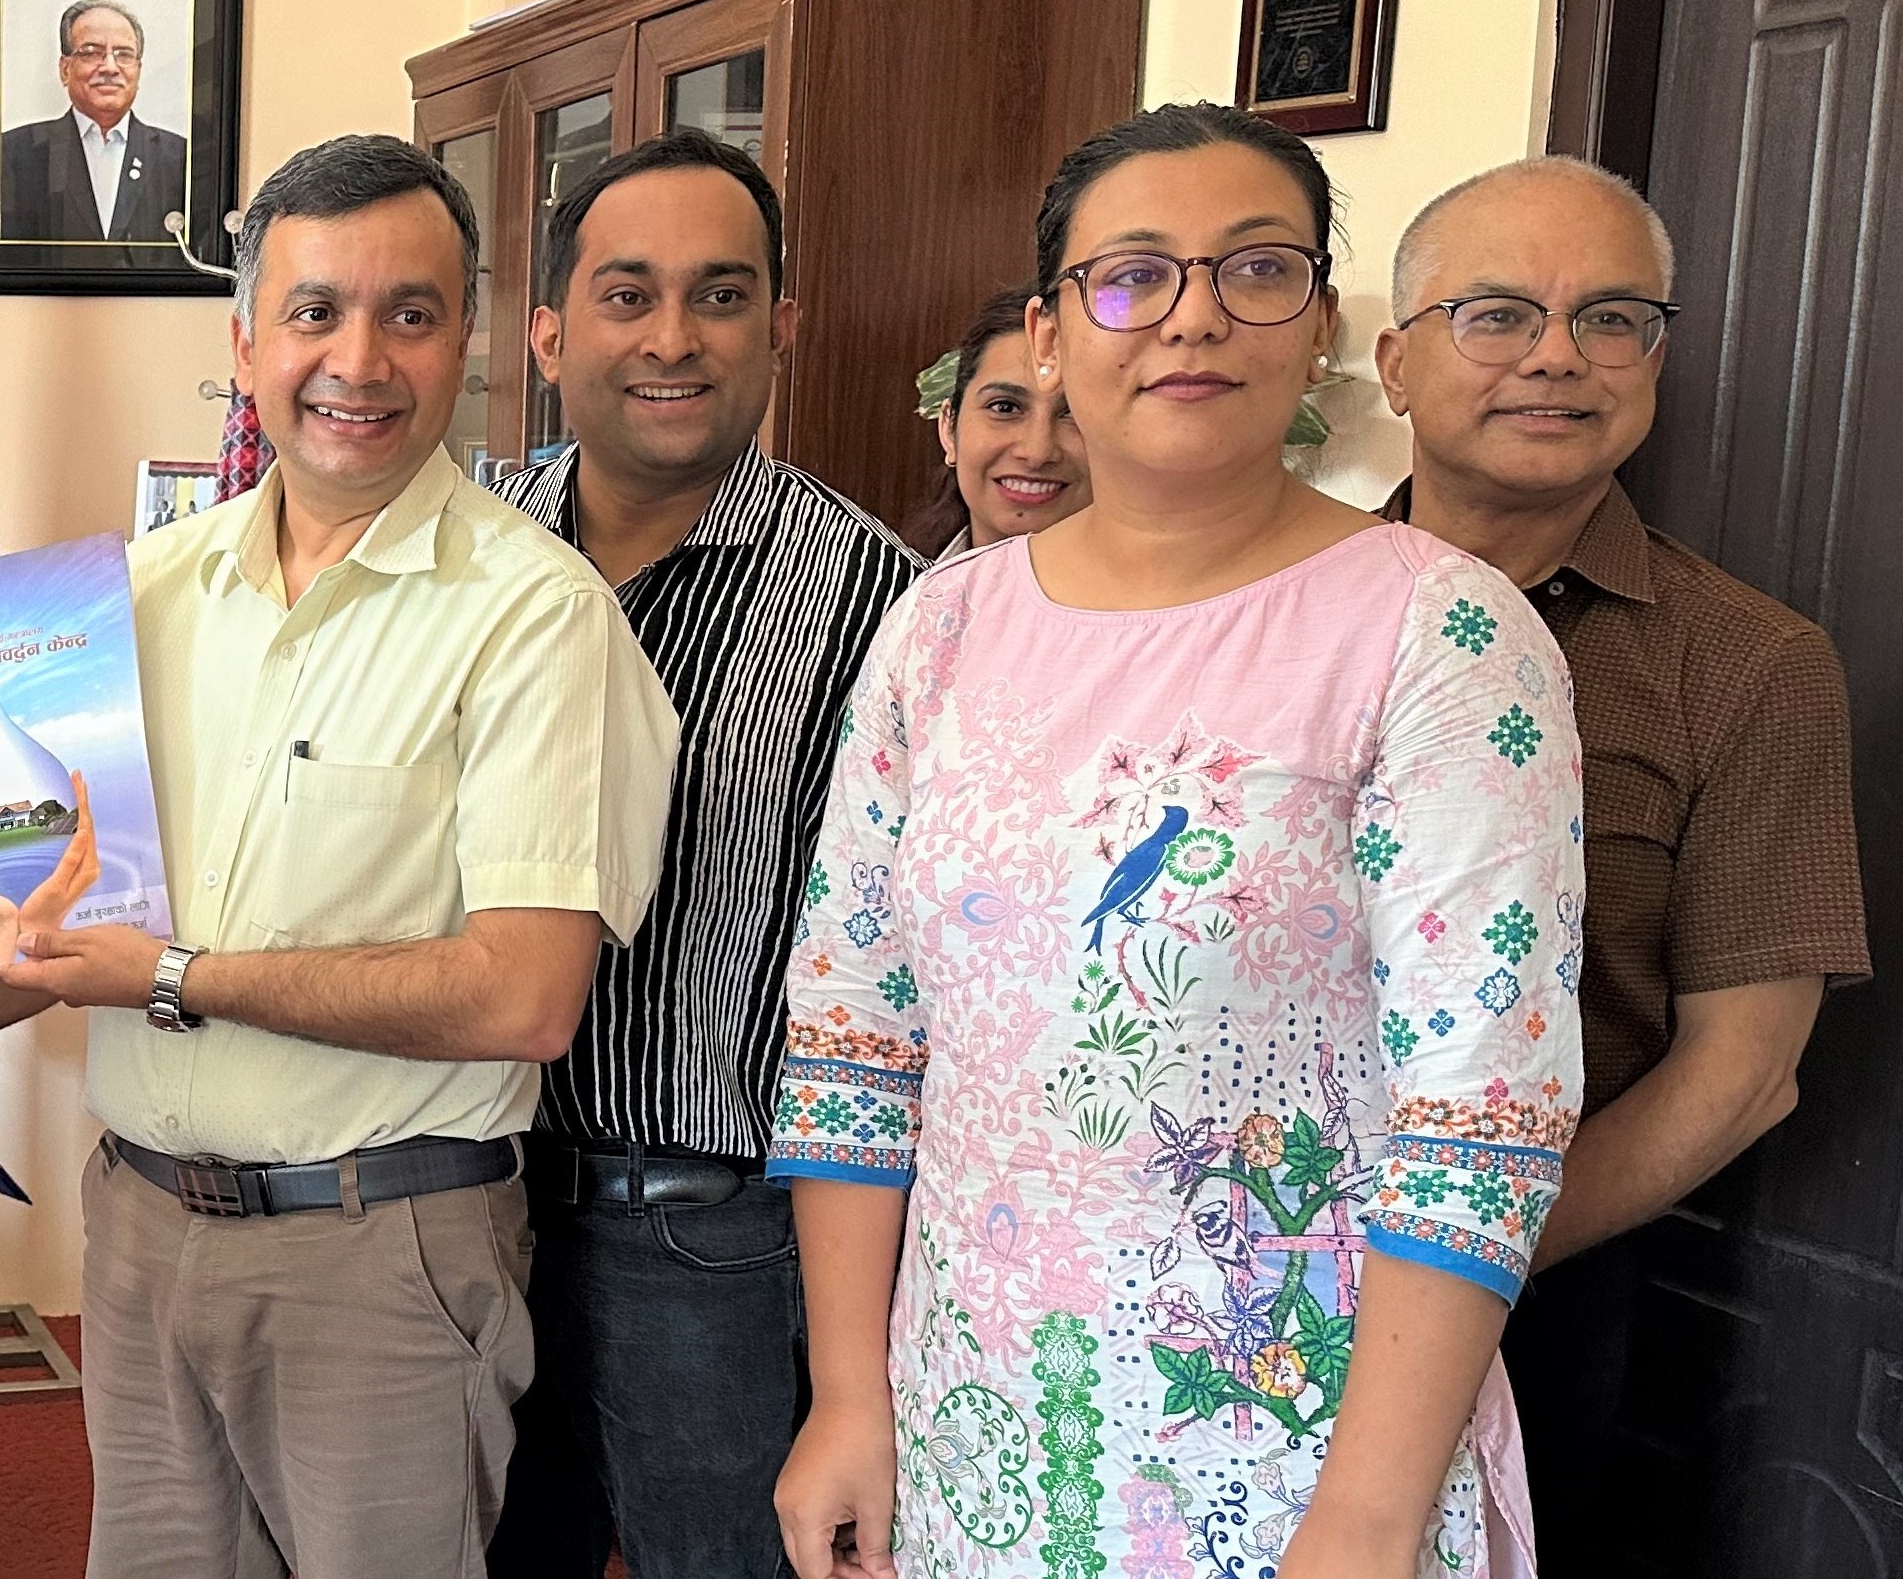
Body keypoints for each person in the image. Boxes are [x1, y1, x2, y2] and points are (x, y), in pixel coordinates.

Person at [0, 133, 682, 1579]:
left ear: (466, 341)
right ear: (246, 343)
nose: (358, 359)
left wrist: (175, 975)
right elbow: (59, 921)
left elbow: (523, 993)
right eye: (314, 310)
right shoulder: (133, 596)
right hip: (144, 1231)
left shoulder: (535, 614)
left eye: (409, 313)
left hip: (379, 1251)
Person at [770, 103, 1586, 1579]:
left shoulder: (1440, 633)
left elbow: (1482, 1118)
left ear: (1318, 322)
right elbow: (854, 1035)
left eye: (1255, 268)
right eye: (1131, 274)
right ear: (1047, 332)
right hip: (974, 1435)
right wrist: (846, 1397)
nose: (1192, 315)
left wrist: (1365, 1518)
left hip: (1290, 1462)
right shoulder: (939, 629)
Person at [1371, 156, 1868, 1571]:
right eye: (1496, 313)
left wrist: (1440, 1265)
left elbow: (1745, 1070)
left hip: (1527, 1289)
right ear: (1396, 364)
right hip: (1193, 1247)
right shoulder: (1265, 608)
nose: (1555, 355)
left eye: (1610, 317)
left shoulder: (1749, 663)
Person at [478, 130, 924, 1579]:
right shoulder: (460, 559)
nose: (671, 337)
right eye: (626, 294)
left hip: (714, 1247)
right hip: (460, 1205)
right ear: (550, 331)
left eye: (720, 295)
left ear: (780, 325)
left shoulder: (885, 604)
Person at [0, 0, 194, 251]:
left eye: (124, 54)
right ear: (65, 69)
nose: (110, 67)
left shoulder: (179, 158)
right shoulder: (15, 152)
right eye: (91, 52)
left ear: (138, 70)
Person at [906, 285, 1087, 557]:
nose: (1037, 453)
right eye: (1005, 407)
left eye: (1074, 413)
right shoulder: (885, 580)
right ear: (949, 428)